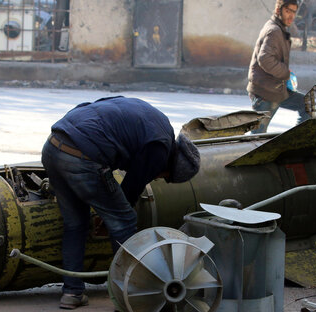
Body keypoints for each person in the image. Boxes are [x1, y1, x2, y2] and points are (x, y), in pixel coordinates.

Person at [41, 96, 201, 309]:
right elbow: (131, 189)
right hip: (83, 157)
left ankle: (72, 292)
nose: (156, 178)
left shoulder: (155, 122)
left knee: (76, 224)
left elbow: (91, 108)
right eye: (163, 176)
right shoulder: (159, 150)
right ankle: (128, 295)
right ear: (170, 166)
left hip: (53, 146)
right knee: (124, 221)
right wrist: (110, 217)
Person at [247, 0, 310, 133]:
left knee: (307, 105)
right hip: (266, 93)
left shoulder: (279, 29)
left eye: (294, 12)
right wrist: (284, 73)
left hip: (276, 90)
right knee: (256, 139)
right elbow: (265, 59)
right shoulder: (274, 30)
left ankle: (296, 141)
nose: (291, 16)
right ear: (278, 10)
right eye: (288, 11)